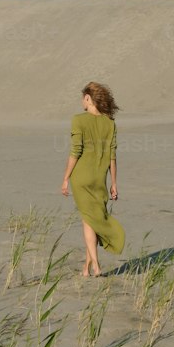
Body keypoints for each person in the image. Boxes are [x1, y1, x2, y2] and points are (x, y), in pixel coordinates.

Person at [61, 80, 125, 276]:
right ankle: (86, 268)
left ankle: (95, 266)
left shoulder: (78, 120)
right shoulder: (110, 123)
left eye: (83, 98)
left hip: (81, 177)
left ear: (88, 98)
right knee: (93, 218)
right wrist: (114, 183)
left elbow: (75, 152)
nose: (82, 102)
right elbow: (112, 156)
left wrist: (65, 178)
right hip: (100, 178)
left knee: (89, 220)